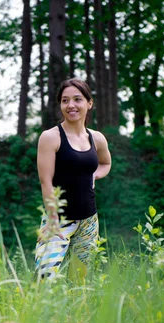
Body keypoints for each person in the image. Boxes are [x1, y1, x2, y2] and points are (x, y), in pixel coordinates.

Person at [35, 78, 112, 279]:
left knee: (80, 282)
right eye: (65, 100)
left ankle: (75, 312)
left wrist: (94, 175)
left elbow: (105, 164)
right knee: (44, 280)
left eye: (77, 99)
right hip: (57, 220)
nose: (71, 105)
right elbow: (46, 181)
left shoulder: (97, 138)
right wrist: (52, 219)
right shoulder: (50, 137)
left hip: (89, 221)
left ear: (89, 103)